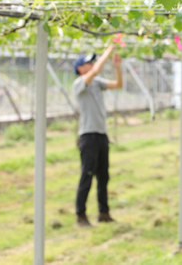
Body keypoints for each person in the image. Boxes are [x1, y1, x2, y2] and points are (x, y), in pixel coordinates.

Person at [72, 43, 123, 227]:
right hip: (88, 136)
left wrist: (117, 67)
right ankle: (80, 215)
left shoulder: (97, 83)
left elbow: (118, 84)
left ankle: (104, 212)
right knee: (87, 175)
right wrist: (109, 50)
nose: (92, 65)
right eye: (88, 63)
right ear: (80, 69)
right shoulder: (80, 84)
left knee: (103, 176)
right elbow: (94, 72)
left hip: (101, 135)